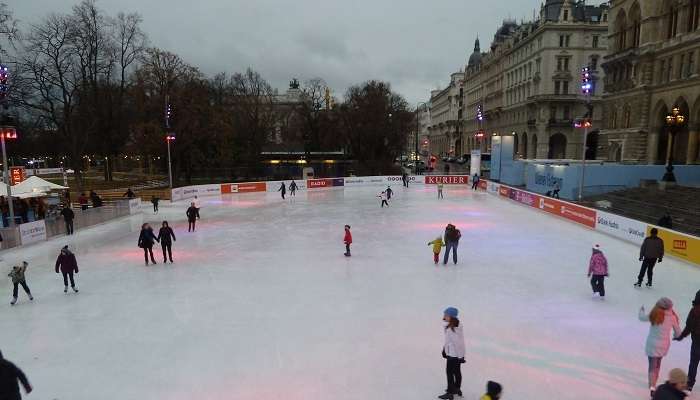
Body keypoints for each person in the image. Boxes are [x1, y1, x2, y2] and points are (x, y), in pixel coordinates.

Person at [639, 297, 681, 397]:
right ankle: (654, 383)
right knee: (658, 364)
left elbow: (641, 317)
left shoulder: (654, 314)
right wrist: (675, 336)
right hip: (664, 346)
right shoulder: (672, 317)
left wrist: (641, 310)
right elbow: (678, 332)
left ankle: (652, 386)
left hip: (652, 345)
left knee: (652, 366)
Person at [674, 290, 700, 391]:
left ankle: (689, 385)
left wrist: (681, 336)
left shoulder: (694, 311)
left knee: (693, 363)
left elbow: (689, 327)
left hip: (696, 342)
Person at [438, 307, 465, 400]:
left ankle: (450, 392)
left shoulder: (452, 329)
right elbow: (454, 342)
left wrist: (460, 356)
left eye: (446, 315)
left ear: (451, 316)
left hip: (453, 355)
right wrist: (444, 349)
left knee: (449, 372)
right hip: (456, 354)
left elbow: (456, 343)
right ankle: (457, 388)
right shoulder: (457, 325)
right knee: (457, 372)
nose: (444, 316)